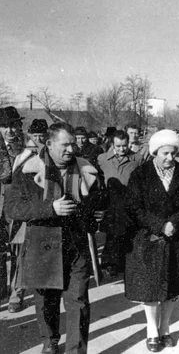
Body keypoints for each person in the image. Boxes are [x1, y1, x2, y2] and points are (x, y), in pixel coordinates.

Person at [5, 122, 105, 354]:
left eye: (72, 143)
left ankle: (76, 351)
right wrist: (50, 208)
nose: (71, 149)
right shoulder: (28, 170)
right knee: (45, 303)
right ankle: (50, 341)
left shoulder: (86, 169)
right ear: (49, 144)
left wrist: (97, 214)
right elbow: (12, 209)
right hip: (42, 245)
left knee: (78, 302)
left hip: (75, 245)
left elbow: (100, 202)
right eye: (65, 144)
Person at [124, 129, 179, 352]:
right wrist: (160, 225)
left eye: (173, 153)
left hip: (176, 238)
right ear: (155, 151)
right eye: (165, 153)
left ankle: (165, 328)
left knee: (172, 289)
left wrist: (175, 221)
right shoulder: (140, 175)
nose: (169, 158)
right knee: (151, 290)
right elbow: (134, 208)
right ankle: (152, 331)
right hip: (149, 239)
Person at [96, 130, 143, 277]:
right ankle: (110, 263)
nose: (121, 149)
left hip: (129, 201)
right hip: (110, 202)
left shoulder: (137, 158)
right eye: (118, 146)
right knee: (112, 234)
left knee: (128, 233)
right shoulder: (102, 159)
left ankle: (125, 263)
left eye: (124, 146)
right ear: (112, 144)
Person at [0, 106, 26, 313]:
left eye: (12, 125)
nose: (9, 130)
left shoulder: (27, 147)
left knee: (19, 249)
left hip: (17, 205)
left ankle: (17, 292)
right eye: (4, 126)